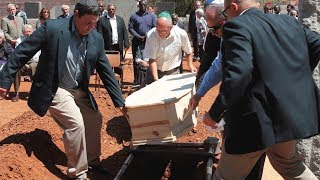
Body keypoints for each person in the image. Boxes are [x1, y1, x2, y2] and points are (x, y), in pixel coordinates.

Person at [0, 0, 125, 179]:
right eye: (87, 22)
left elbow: (105, 71)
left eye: (94, 23)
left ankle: (92, 161)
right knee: (75, 123)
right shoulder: (52, 28)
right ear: (75, 14)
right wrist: (4, 80)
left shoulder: (96, 38)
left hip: (78, 88)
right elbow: (22, 52)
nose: (91, 27)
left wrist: (120, 102)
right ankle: (78, 173)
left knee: (94, 118)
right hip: (54, 86)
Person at [202, 0, 320, 178]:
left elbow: (238, 74)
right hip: (286, 114)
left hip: (253, 122)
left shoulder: (236, 26)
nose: (226, 18)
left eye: (225, 13)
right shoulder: (287, 21)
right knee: (289, 165)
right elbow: (316, 44)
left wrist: (214, 113)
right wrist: (295, 77)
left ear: (233, 7)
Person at [189, 4, 266, 179]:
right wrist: (200, 93)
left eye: (215, 28)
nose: (214, 34)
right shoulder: (230, 33)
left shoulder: (236, 31)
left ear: (225, 19)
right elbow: (219, 64)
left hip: (253, 107)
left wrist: (214, 113)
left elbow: (236, 78)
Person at [143, 11, 197, 85]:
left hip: (173, 74)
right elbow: (152, 60)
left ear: (171, 28)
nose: (160, 33)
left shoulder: (181, 34)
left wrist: (190, 65)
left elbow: (188, 51)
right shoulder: (151, 35)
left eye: (164, 30)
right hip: (154, 72)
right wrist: (156, 80)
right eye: (158, 30)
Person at [128, 0, 156, 85]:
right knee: (137, 61)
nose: (143, 6)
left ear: (146, 5)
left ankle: (148, 79)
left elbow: (154, 27)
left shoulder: (152, 16)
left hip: (149, 41)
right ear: (138, 6)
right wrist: (138, 36)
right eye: (141, 5)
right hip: (137, 41)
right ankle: (137, 80)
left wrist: (148, 36)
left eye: (144, 5)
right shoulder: (134, 16)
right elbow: (130, 28)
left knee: (149, 59)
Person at [11, 24, 41, 102]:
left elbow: (37, 54)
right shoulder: (19, 41)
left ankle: (35, 93)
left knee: (33, 66)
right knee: (17, 69)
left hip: (34, 60)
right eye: (26, 32)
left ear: (32, 31)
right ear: (23, 32)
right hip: (22, 61)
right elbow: (17, 55)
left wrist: (29, 64)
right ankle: (16, 92)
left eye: (29, 31)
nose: (28, 33)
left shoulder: (37, 40)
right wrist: (24, 64)